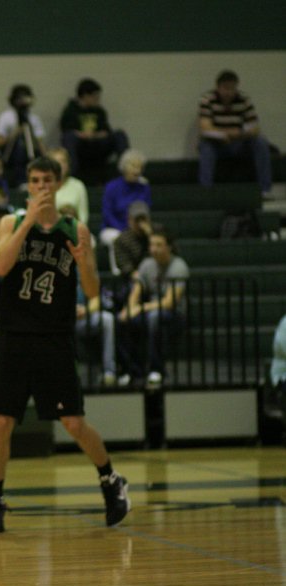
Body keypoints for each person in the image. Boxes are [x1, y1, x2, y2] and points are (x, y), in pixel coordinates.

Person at [0, 155, 130, 534]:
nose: (41, 186)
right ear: (28, 185)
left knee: (73, 421)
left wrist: (84, 263)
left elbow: (93, 291)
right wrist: (29, 221)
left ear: (59, 184)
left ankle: (111, 480)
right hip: (15, 336)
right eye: (35, 180)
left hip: (54, 337)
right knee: (1, 421)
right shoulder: (11, 222)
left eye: (48, 180)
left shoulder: (75, 229)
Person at [117, 228, 189, 390]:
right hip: (150, 310)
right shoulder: (147, 264)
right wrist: (128, 309)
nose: (154, 249)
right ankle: (130, 370)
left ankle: (156, 369)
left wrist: (141, 308)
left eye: (159, 245)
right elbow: (137, 290)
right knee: (122, 319)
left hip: (174, 314)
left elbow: (170, 302)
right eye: (151, 245)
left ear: (169, 247)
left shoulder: (178, 266)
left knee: (154, 317)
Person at [198, 70, 273, 198]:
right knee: (206, 147)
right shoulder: (207, 100)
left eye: (232, 88)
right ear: (218, 87)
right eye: (225, 88)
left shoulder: (244, 100)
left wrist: (232, 135)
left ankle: (264, 190)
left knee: (260, 142)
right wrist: (225, 135)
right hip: (217, 145)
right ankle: (206, 192)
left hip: (239, 144)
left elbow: (254, 128)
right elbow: (205, 128)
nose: (229, 92)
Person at [60, 78, 130, 183]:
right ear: (85, 96)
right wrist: (83, 135)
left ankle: (128, 171)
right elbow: (67, 130)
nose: (97, 99)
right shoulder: (70, 111)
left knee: (119, 134)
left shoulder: (99, 111)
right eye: (95, 97)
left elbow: (106, 131)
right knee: (69, 138)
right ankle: (71, 176)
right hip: (82, 148)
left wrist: (94, 135)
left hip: (98, 145)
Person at [100, 150, 150, 274]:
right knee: (117, 238)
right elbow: (107, 213)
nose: (137, 171)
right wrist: (125, 230)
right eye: (133, 166)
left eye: (140, 167)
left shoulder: (144, 187)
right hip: (113, 227)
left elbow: (145, 210)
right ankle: (119, 272)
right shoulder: (112, 186)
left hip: (136, 227)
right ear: (124, 167)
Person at [0, 84, 47, 188]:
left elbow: (40, 142)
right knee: (20, 147)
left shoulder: (34, 119)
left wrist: (47, 157)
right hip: (10, 153)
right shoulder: (6, 117)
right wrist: (15, 133)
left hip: (32, 150)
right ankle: (21, 181)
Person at [76, 283, 118, 388]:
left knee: (107, 319)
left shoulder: (84, 270)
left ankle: (108, 372)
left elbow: (96, 299)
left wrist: (86, 310)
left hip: (84, 318)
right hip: (63, 320)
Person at [113, 200, 153, 282]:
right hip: (133, 278)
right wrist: (138, 277)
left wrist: (150, 236)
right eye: (137, 220)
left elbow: (170, 253)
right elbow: (124, 266)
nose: (140, 224)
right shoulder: (122, 240)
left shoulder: (157, 233)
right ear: (129, 220)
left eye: (143, 219)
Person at [48, 147, 88, 223]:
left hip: (74, 230)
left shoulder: (78, 186)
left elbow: (83, 218)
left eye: (63, 161)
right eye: (56, 162)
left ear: (68, 164)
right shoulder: (41, 185)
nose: (60, 165)